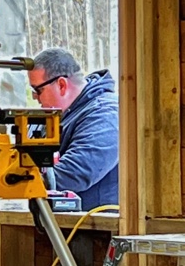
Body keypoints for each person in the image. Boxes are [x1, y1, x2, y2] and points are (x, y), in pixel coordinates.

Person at [27, 48, 119, 209]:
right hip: (60, 225)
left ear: (62, 85)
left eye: (38, 90)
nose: (35, 97)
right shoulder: (54, 115)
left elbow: (75, 172)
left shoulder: (105, 113)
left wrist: (10, 182)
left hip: (95, 229)